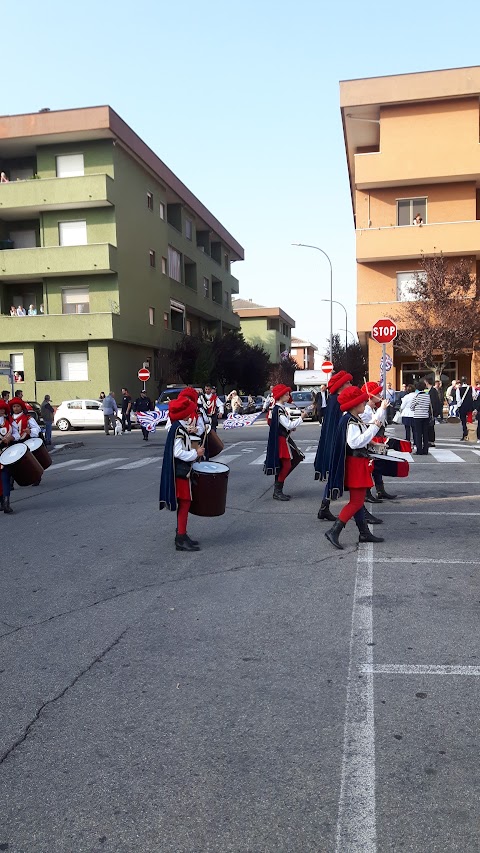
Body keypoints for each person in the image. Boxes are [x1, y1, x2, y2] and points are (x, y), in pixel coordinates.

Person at [324, 386, 388, 549]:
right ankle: (334, 531)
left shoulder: (352, 418)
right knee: (356, 502)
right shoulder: (351, 421)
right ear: (354, 405)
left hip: (356, 463)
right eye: (361, 401)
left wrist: (371, 434)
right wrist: (374, 427)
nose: (365, 403)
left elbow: (359, 439)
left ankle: (364, 533)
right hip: (355, 464)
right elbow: (355, 442)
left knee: (358, 502)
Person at [159, 395, 205, 552]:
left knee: (185, 503)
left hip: (182, 471)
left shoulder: (179, 426)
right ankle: (180, 537)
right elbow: (177, 452)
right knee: (185, 503)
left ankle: (182, 534)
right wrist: (195, 453)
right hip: (181, 472)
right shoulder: (179, 428)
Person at [263, 384, 306, 501]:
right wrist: (301, 418)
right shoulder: (278, 409)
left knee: (287, 463)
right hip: (282, 440)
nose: (289, 396)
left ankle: (278, 490)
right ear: (281, 396)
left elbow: (285, 425)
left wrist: (290, 428)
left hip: (284, 439)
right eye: (286, 394)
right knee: (286, 465)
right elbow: (287, 424)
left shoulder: (280, 408)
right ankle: (277, 491)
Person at [360, 381, 397, 501]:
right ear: (371, 396)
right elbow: (373, 423)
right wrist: (382, 408)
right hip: (369, 440)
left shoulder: (372, 408)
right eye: (378, 393)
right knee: (370, 467)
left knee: (378, 466)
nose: (380, 395)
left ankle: (380, 490)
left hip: (376, 438)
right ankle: (366, 493)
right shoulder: (365, 410)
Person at [0, 398, 18, 513]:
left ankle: (6, 503)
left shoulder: (10, 421)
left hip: (6, 453)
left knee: (5, 477)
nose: (1, 411)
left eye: (3, 409)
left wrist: (11, 437)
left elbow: (17, 434)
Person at [411, 381, 431, 455]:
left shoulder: (416, 396)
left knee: (418, 433)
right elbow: (429, 406)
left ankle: (419, 450)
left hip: (418, 416)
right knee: (425, 433)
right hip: (426, 416)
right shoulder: (427, 396)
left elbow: (411, 406)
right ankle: (425, 449)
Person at [425, 378, 442, 446]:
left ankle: (431, 441)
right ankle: (430, 440)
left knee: (430, 426)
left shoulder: (432, 391)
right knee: (429, 426)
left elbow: (434, 402)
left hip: (431, 412)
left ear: (427, 382)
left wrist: (435, 413)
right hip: (430, 412)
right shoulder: (432, 390)